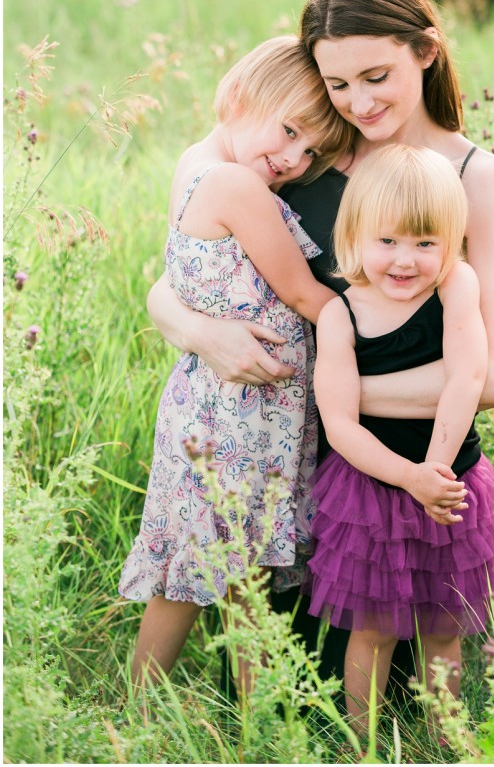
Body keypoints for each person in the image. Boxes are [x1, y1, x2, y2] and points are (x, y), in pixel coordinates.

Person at [146, 0, 494, 683]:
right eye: (336, 84)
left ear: (426, 49)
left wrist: (335, 400)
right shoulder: (304, 158)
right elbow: (174, 279)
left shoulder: (479, 180)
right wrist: (201, 334)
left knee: (393, 693)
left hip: (397, 482)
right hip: (280, 476)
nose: (357, 102)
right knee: (275, 701)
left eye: (376, 75)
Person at [118, 35, 354, 694]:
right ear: (238, 96)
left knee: (230, 568)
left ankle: (241, 727)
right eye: (287, 133)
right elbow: (305, 295)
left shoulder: (195, 160)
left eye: (310, 152)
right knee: (211, 571)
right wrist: (356, 329)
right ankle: (146, 722)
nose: (292, 160)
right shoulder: (233, 184)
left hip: (225, 403)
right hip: (237, 416)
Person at [305, 144, 494, 732]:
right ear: (356, 235)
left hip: (451, 482)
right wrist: (408, 477)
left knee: (444, 625)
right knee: (372, 629)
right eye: (388, 240)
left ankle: (443, 736)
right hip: (372, 489)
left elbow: (468, 374)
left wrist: (436, 473)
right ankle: (364, 742)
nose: (405, 260)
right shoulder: (341, 315)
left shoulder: (454, 287)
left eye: (425, 243)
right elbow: (338, 421)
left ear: (451, 241)